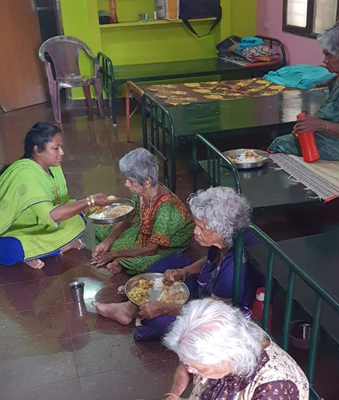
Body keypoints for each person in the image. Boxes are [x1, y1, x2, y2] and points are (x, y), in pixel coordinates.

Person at [92, 186, 259, 341]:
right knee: (177, 260)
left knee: (158, 323)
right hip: (208, 289)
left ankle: (133, 308)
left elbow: (211, 310)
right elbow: (211, 260)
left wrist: (163, 308)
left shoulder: (234, 269)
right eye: (196, 225)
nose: (195, 232)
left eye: (202, 228)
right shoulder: (223, 240)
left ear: (221, 230)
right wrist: (184, 271)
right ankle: (130, 307)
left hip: (219, 313)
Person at [0, 122, 113, 270]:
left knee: (79, 216)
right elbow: (52, 215)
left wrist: (88, 206)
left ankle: (39, 251)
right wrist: (90, 201)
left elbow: (63, 201)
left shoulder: (53, 167)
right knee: (11, 249)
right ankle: (40, 252)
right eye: (56, 148)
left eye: (61, 147)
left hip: (43, 225)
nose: (62, 152)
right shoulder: (25, 174)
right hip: (15, 231)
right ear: (37, 150)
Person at [163, 298, 309, 400]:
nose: (189, 369)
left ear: (228, 357)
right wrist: (174, 395)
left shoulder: (274, 387)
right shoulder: (229, 337)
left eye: (196, 366)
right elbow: (187, 363)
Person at [269, 21, 339, 161]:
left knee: (279, 144)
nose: (325, 61)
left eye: (329, 56)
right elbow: (331, 110)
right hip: (329, 137)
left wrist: (321, 125)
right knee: (285, 137)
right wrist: (309, 122)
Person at [90, 148, 194, 275]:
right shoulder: (141, 191)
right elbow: (128, 218)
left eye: (131, 181)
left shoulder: (166, 208)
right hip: (146, 230)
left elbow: (151, 249)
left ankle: (121, 260)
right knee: (102, 229)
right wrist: (106, 242)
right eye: (126, 179)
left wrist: (112, 254)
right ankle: (121, 259)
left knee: (141, 264)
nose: (126, 184)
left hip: (165, 244)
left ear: (147, 182)